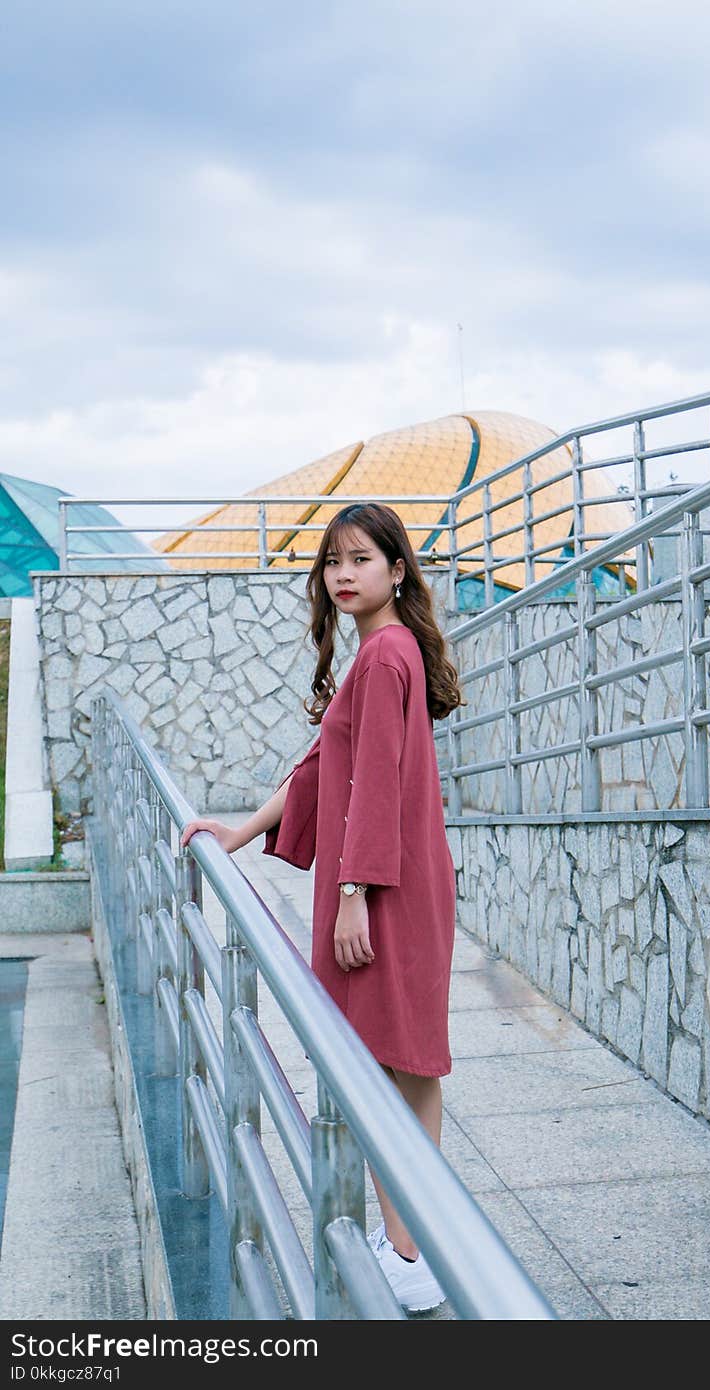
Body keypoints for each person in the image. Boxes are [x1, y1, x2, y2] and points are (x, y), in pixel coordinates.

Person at [181, 501, 465, 1313]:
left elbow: (373, 786)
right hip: (404, 882)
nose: (344, 575)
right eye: (333, 562)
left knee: (379, 1063)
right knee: (405, 1062)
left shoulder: (383, 658)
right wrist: (240, 831)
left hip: (385, 889)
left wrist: (350, 897)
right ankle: (419, 1241)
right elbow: (319, 769)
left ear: (397, 570)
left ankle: (409, 1253)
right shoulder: (385, 650)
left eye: (361, 560)